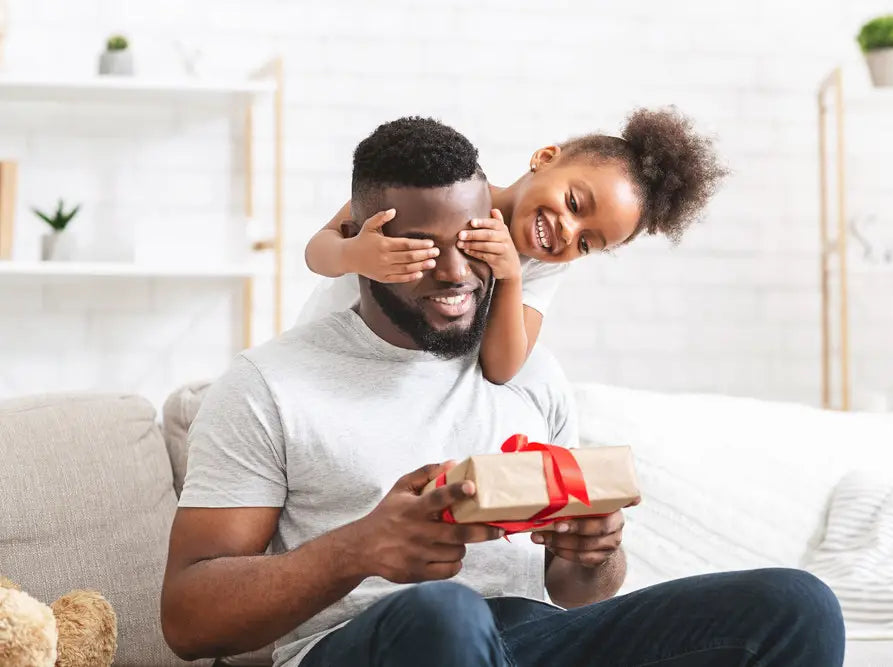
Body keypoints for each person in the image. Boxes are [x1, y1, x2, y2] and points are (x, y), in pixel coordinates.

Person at [160, 117, 845, 667]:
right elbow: (188, 618)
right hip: (373, 640)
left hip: (531, 638)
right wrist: (358, 548)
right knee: (443, 612)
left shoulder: (532, 373)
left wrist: (593, 550)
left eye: (474, 244)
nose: (459, 272)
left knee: (796, 603)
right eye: (426, 248)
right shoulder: (266, 385)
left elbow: (577, 595)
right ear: (372, 240)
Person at [298, 109, 727, 384]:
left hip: (394, 374)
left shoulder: (541, 268)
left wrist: (510, 274)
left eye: (586, 243)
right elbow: (318, 250)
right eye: (574, 204)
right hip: (328, 347)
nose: (566, 232)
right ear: (544, 158)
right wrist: (354, 255)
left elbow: (502, 368)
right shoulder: (443, 190)